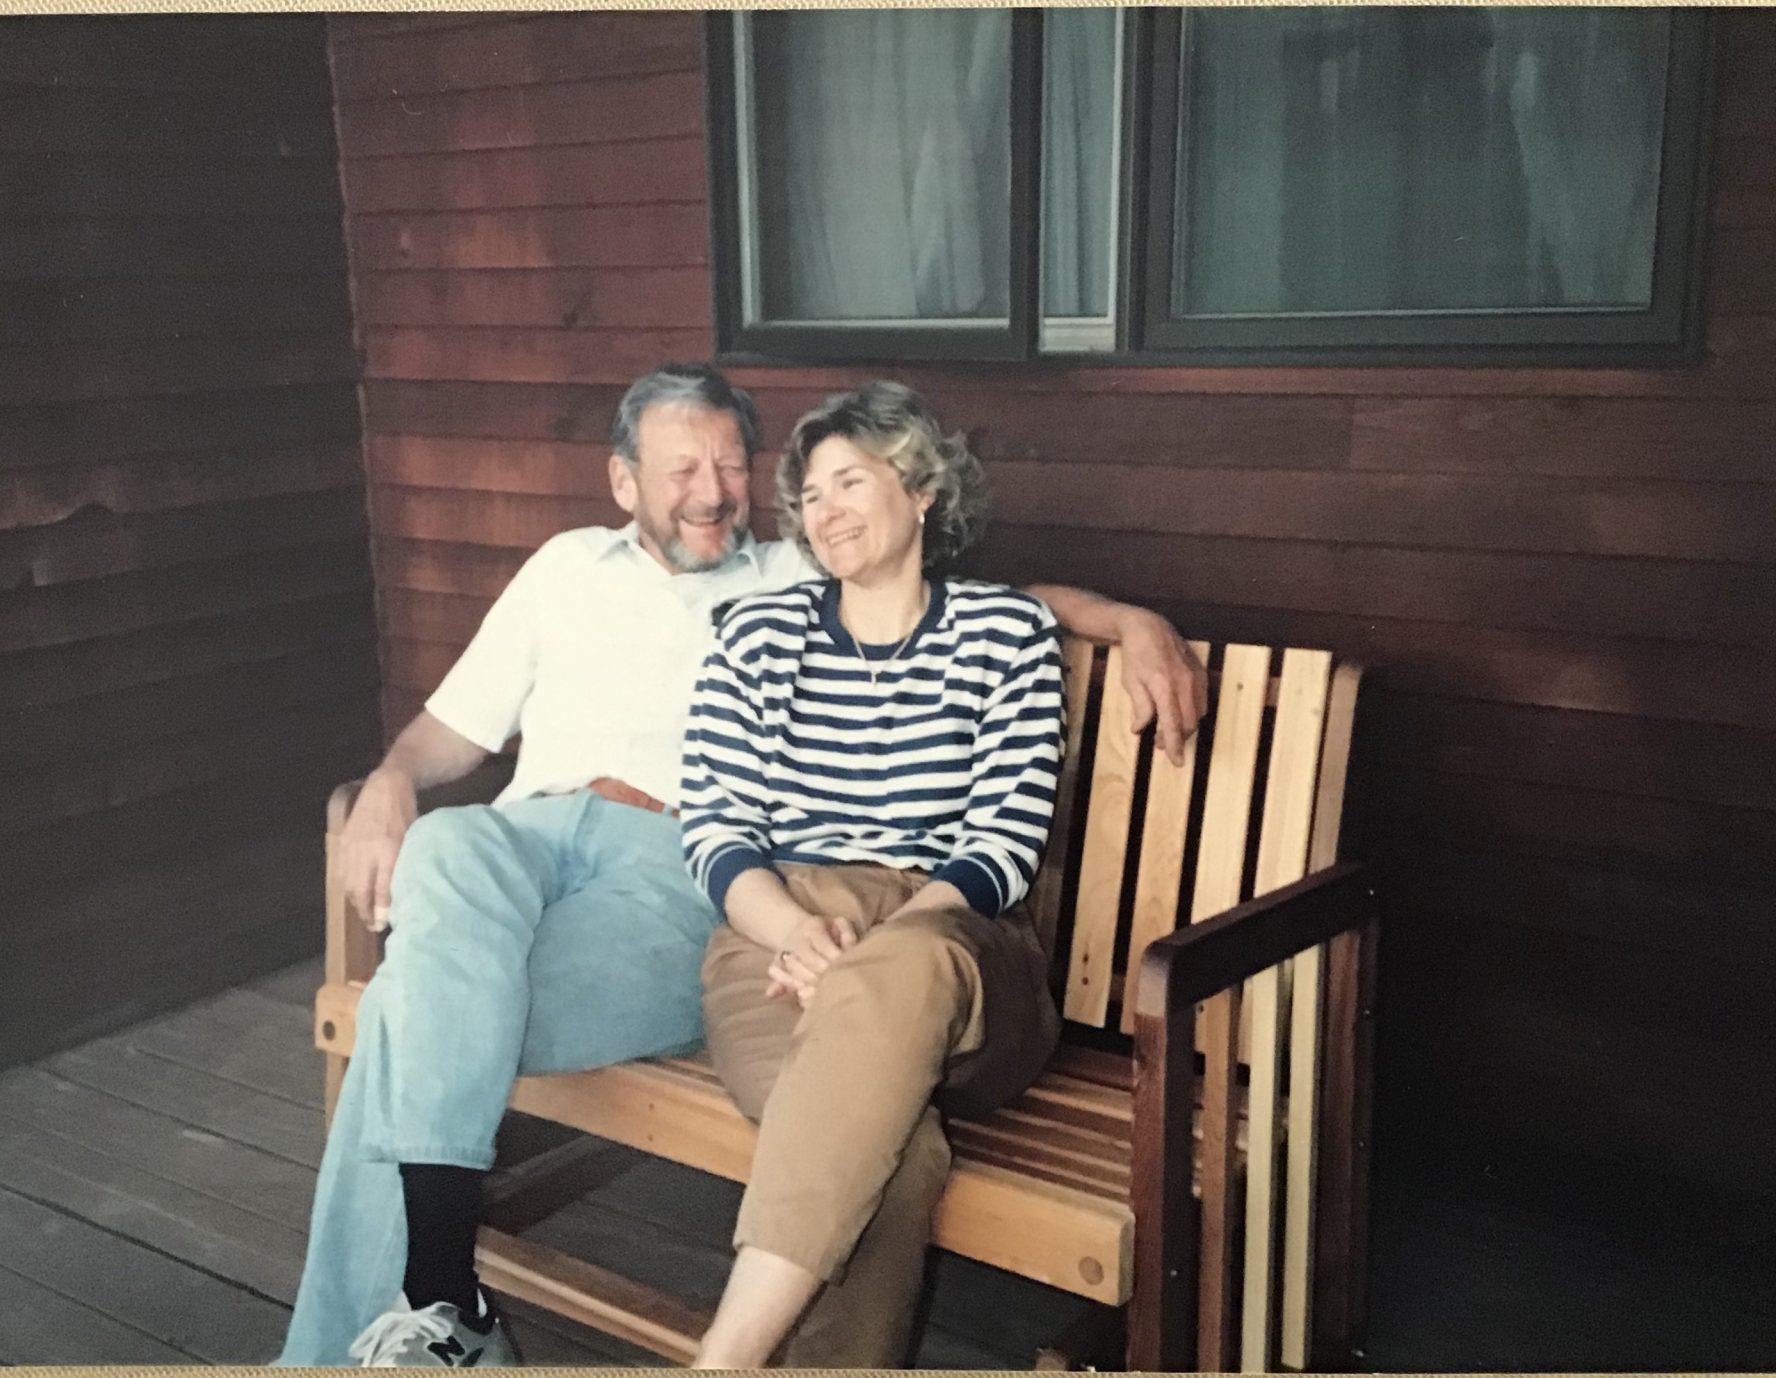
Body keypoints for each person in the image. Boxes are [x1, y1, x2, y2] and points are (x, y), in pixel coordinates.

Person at [275, 363, 1206, 1366]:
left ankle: (413, 1325)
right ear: (623, 481)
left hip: (683, 877)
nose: (714, 490)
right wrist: (389, 781)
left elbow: (956, 599)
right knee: (445, 849)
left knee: (414, 1006)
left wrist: (1124, 619)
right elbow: (449, 731)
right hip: (551, 857)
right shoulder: (570, 571)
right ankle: (442, 1300)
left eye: (731, 463)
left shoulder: (790, 578)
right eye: (682, 468)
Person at [681, 381, 1064, 1368]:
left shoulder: (1006, 633)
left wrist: (869, 959)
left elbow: (1002, 843)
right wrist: (793, 934)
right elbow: (717, 828)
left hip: (953, 939)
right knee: (893, 1155)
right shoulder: (754, 636)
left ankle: (720, 1359)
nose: (827, 509)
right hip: (778, 935)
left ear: (924, 488)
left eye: (853, 480)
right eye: (810, 494)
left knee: (901, 986)